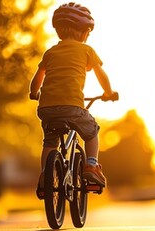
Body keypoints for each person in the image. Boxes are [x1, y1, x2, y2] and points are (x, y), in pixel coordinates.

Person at [29, 2, 117, 198]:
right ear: (84, 31)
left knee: (50, 143)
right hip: (72, 107)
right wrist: (109, 92)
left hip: (47, 109)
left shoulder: (50, 52)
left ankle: (46, 175)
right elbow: (100, 74)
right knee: (92, 132)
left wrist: (34, 93)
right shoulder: (86, 51)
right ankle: (92, 166)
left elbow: (38, 76)